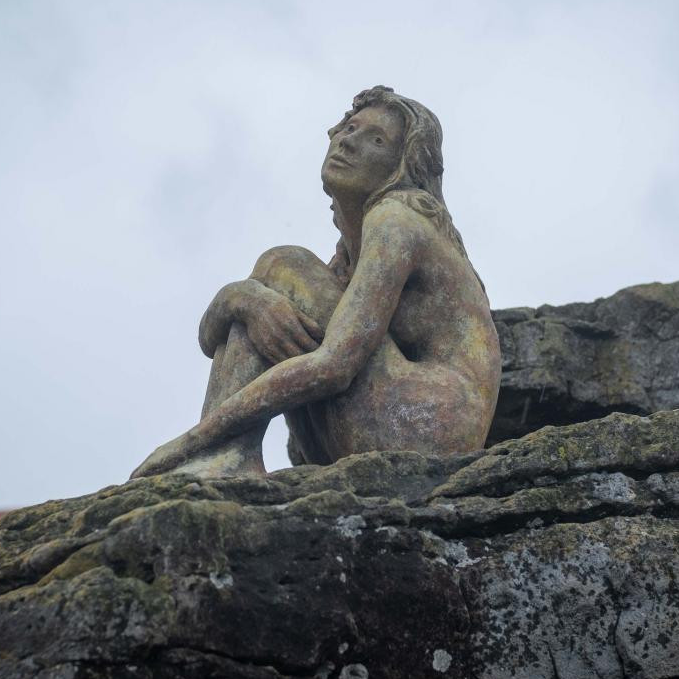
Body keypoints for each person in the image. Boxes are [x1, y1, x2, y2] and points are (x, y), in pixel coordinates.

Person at [131, 86, 500, 478]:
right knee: (262, 303)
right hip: (390, 424)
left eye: (376, 139)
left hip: (424, 427)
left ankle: (223, 453)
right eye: (349, 127)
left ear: (401, 165)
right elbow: (211, 338)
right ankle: (226, 457)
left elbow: (335, 366)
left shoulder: (397, 221)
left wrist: (194, 439)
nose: (349, 141)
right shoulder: (347, 257)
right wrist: (238, 299)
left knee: (283, 263)